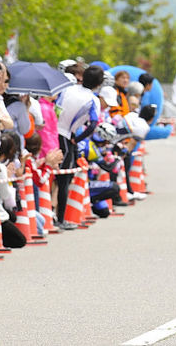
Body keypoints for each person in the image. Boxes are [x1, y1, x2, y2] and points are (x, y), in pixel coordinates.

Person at [54, 65, 103, 230]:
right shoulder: (93, 99)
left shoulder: (69, 89)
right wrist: (78, 139)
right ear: (99, 83)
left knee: (55, 178)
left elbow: (57, 108)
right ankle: (60, 219)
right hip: (67, 137)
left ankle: (55, 215)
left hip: (54, 131)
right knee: (64, 181)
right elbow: (93, 124)